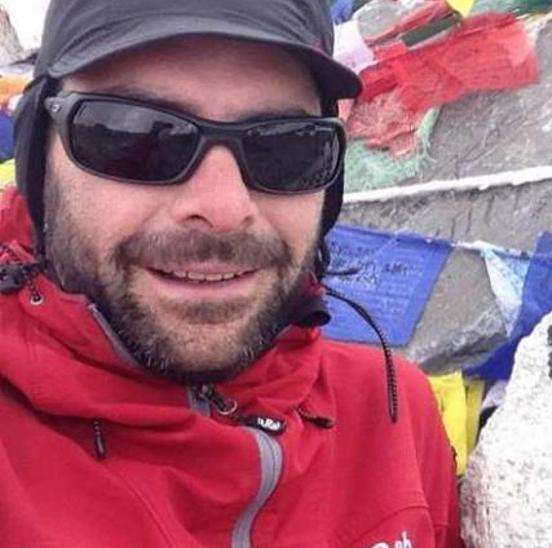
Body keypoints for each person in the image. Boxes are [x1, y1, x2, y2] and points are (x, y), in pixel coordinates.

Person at [0, 1, 462, 546]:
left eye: (285, 144)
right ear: (38, 160)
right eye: (136, 136)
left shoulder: (392, 413)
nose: (224, 208)